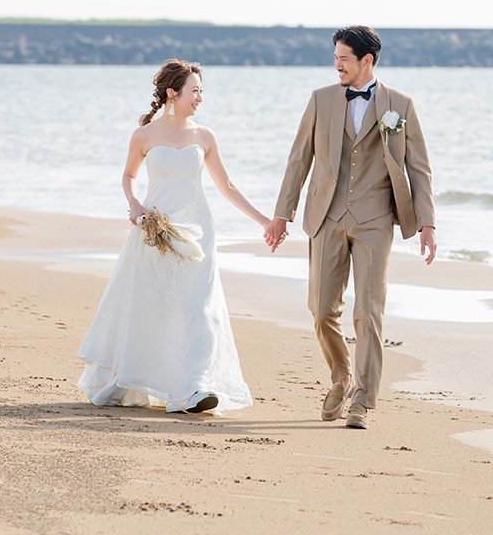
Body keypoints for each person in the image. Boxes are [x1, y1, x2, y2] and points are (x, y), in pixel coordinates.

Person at [264, 26, 436, 429]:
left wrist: (427, 223)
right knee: (322, 309)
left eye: (344, 58)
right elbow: (298, 160)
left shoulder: (401, 105)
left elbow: (419, 168)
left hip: (376, 220)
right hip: (326, 216)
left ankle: (362, 398)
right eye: (335, 57)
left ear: (367, 61)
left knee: (368, 311)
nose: (337, 64)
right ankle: (341, 375)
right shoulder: (321, 100)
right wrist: (281, 214)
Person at [78, 59, 272, 415]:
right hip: (156, 228)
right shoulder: (144, 135)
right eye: (194, 90)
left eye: (201, 90)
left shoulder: (204, 136)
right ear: (173, 93)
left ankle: (196, 386)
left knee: (199, 305)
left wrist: (265, 221)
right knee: (156, 305)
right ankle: (154, 380)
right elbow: (127, 176)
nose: (200, 97)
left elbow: (226, 185)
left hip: (198, 229)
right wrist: (135, 206)